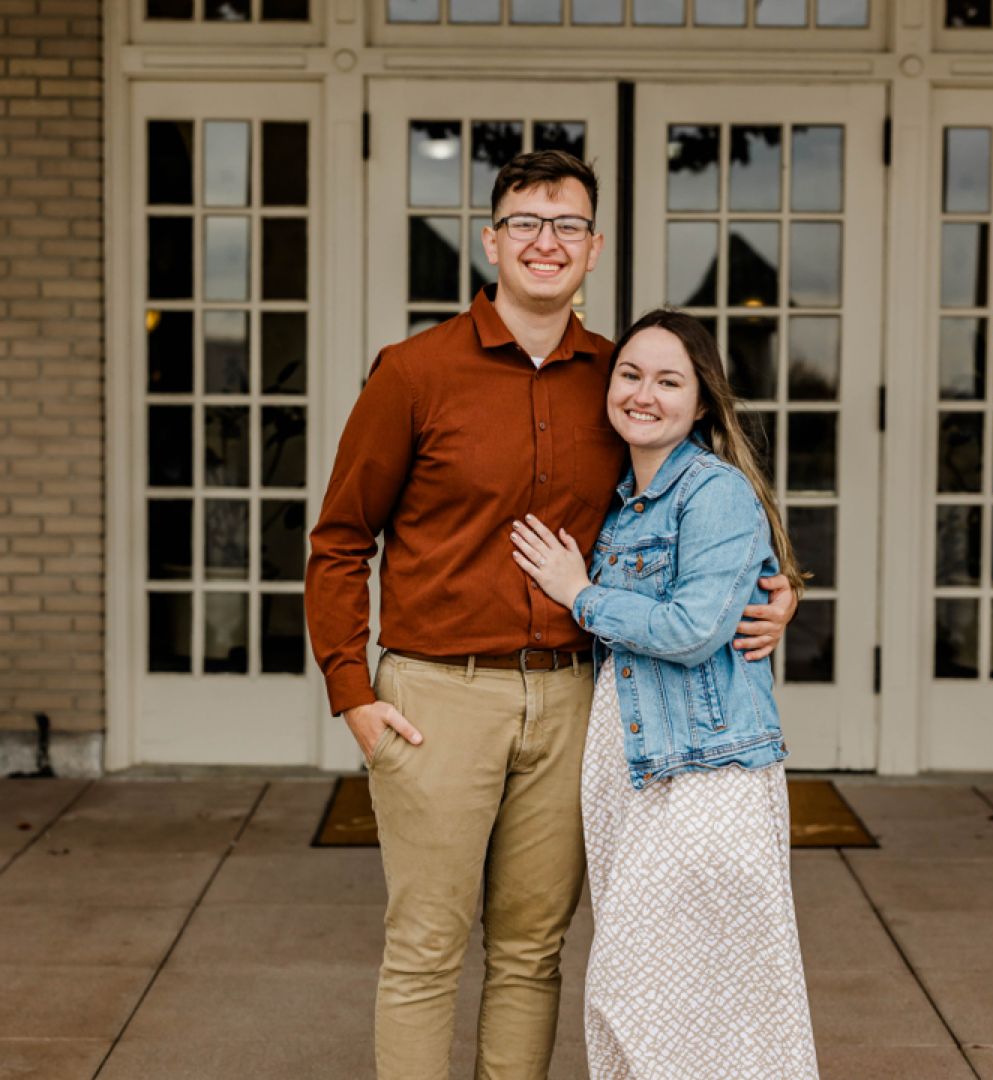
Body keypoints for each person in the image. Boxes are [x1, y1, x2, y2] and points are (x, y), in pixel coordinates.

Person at [305, 152, 799, 1080]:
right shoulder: (413, 374)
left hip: (580, 701)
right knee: (424, 949)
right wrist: (351, 692)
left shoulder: (622, 380)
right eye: (525, 222)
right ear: (491, 240)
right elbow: (339, 540)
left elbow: (705, 495)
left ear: (593, 247)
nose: (546, 241)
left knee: (533, 953)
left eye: (567, 225)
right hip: (435, 698)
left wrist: (777, 590)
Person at [509, 308, 819, 1079]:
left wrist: (580, 594)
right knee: (664, 988)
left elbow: (691, 629)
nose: (645, 393)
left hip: (707, 776)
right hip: (631, 767)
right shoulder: (621, 501)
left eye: (669, 380)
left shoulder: (712, 492)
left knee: (658, 985)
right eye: (631, 374)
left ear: (703, 402)